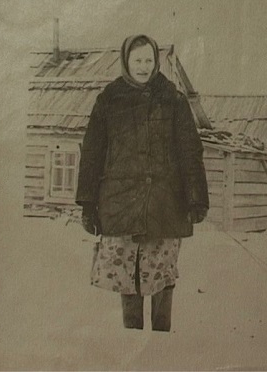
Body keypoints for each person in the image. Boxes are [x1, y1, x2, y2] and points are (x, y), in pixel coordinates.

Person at [76, 34, 209, 332]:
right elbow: (92, 153)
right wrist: (87, 204)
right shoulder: (109, 100)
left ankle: (161, 341)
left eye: (149, 60)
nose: (143, 66)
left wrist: (196, 198)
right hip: (120, 203)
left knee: (161, 275)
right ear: (126, 61)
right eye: (137, 60)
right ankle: (131, 338)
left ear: (156, 61)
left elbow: (190, 151)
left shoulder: (173, 99)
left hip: (165, 203)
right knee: (127, 275)